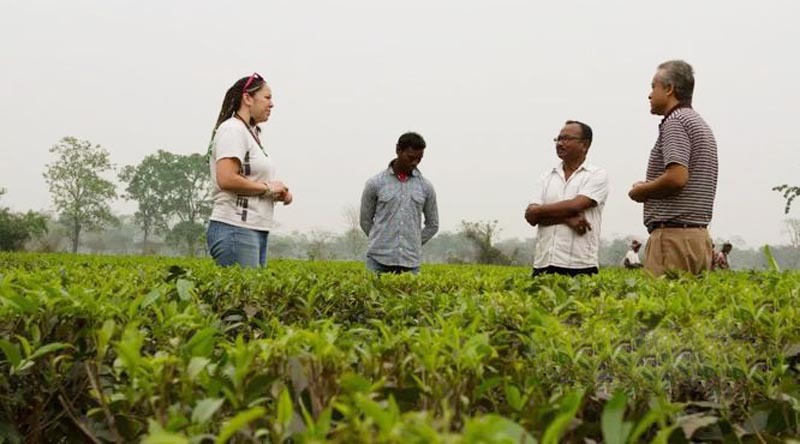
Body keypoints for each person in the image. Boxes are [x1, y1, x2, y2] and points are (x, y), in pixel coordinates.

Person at [628, 60, 718, 277]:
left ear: (669, 89)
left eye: (653, 87)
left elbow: (677, 177)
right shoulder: (697, 122)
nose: (649, 94)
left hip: (673, 238)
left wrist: (643, 190)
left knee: (659, 307)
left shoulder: (675, 122)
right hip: (695, 237)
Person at [206, 73, 293, 267]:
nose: (272, 105)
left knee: (251, 295)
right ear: (247, 98)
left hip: (251, 229)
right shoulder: (233, 130)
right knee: (245, 296)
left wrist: (277, 192)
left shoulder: (249, 133)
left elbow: (250, 180)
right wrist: (269, 188)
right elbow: (227, 179)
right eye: (267, 97)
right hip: (235, 228)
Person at [524, 120, 610, 277]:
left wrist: (540, 211)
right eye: (558, 139)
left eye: (567, 139)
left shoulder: (597, 175)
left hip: (580, 265)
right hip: (543, 263)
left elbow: (576, 206)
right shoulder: (546, 177)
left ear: (585, 144)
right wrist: (567, 220)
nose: (560, 144)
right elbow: (530, 216)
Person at [360, 132, 439, 274]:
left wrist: (414, 242)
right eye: (410, 157)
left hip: (411, 263)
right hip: (378, 261)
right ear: (398, 150)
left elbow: (433, 224)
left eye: (419, 159)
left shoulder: (426, 187)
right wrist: (380, 239)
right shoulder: (375, 183)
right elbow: (365, 220)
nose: (415, 162)